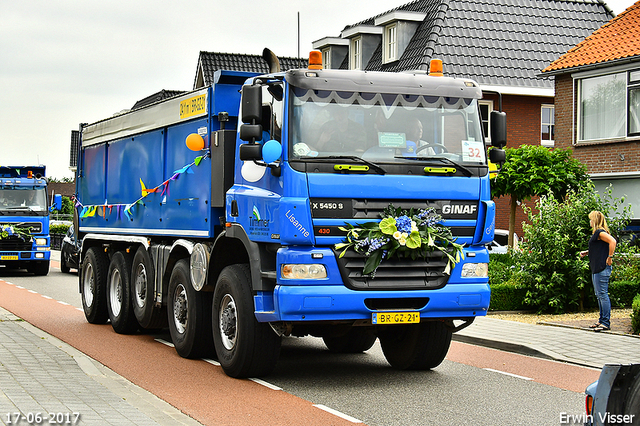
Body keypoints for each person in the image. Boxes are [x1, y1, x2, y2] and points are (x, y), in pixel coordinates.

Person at [579, 211, 617, 331]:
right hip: (597, 268)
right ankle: (601, 321)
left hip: (602, 267)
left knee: (602, 294)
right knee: (599, 295)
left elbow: (613, 242)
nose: (589, 222)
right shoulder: (597, 234)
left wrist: (610, 257)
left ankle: (605, 322)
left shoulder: (600, 232)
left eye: (591, 219)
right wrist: (587, 252)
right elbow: (599, 248)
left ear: (595, 220)